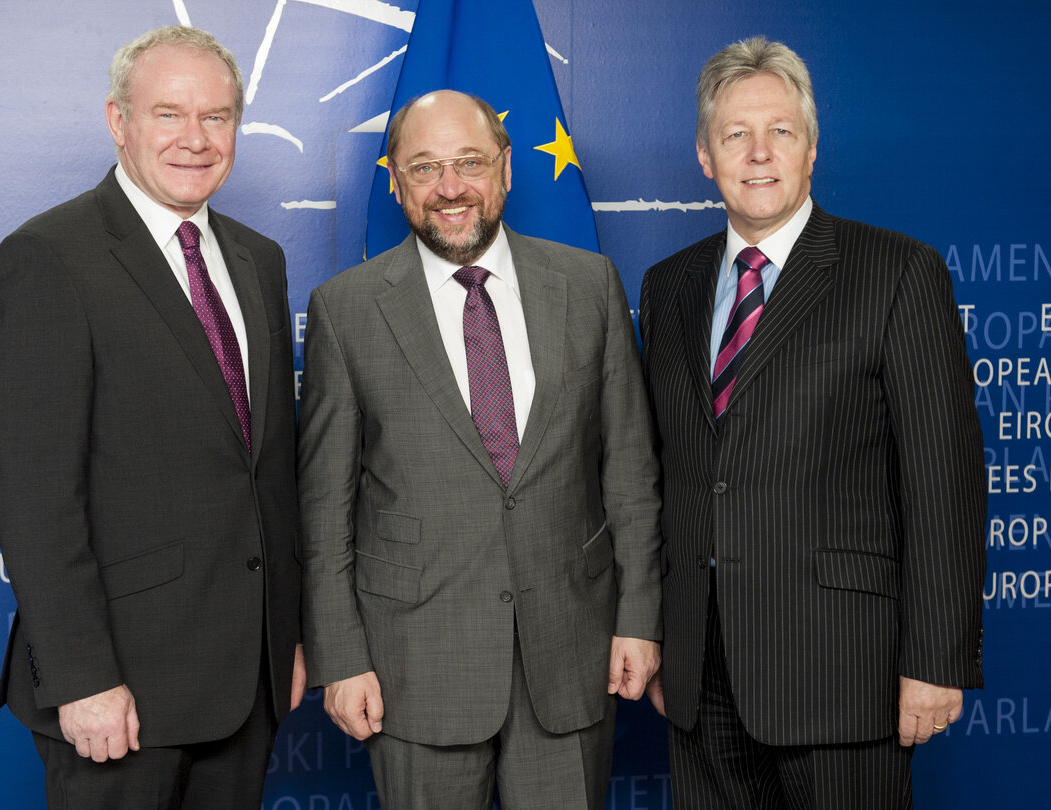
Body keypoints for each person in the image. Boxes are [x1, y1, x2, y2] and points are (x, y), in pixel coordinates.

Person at [639, 37, 986, 809]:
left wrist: (934, 660)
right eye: (735, 135)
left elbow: (944, 481)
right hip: (702, 676)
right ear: (704, 155)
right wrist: (662, 639)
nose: (758, 153)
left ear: (811, 149)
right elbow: (663, 475)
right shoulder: (669, 286)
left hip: (842, 674)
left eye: (780, 132)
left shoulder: (896, 271)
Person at [298, 90, 662, 809]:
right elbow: (324, 508)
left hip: (569, 652)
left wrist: (639, 618)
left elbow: (628, 471)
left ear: (503, 169)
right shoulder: (346, 309)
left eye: (468, 162)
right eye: (425, 167)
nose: (450, 187)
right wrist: (339, 658)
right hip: (412, 669)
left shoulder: (588, 287)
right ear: (396, 182)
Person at [0, 25, 303, 807]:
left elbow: (265, 471)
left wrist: (286, 636)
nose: (195, 139)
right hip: (121, 693)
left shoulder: (258, 259)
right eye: (169, 114)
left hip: (246, 680)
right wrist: (82, 678)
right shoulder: (50, 256)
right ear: (117, 121)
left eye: (217, 117)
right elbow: (35, 497)